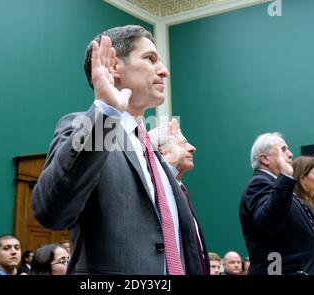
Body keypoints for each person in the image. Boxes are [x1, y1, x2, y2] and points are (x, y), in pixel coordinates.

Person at [32, 25, 203, 274]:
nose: (164, 71)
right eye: (150, 59)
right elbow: (51, 212)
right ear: (114, 67)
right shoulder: (86, 128)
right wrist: (106, 111)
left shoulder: (154, 157)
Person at [239, 132, 314, 275]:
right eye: (283, 150)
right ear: (265, 159)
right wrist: (285, 176)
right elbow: (268, 223)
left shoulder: (281, 185)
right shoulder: (259, 183)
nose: (290, 154)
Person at [149, 118, 209, 274]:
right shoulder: (153, 193)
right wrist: (169, 165)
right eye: (182, 144)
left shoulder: (182, 191)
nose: (192, 148)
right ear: (161, 150)